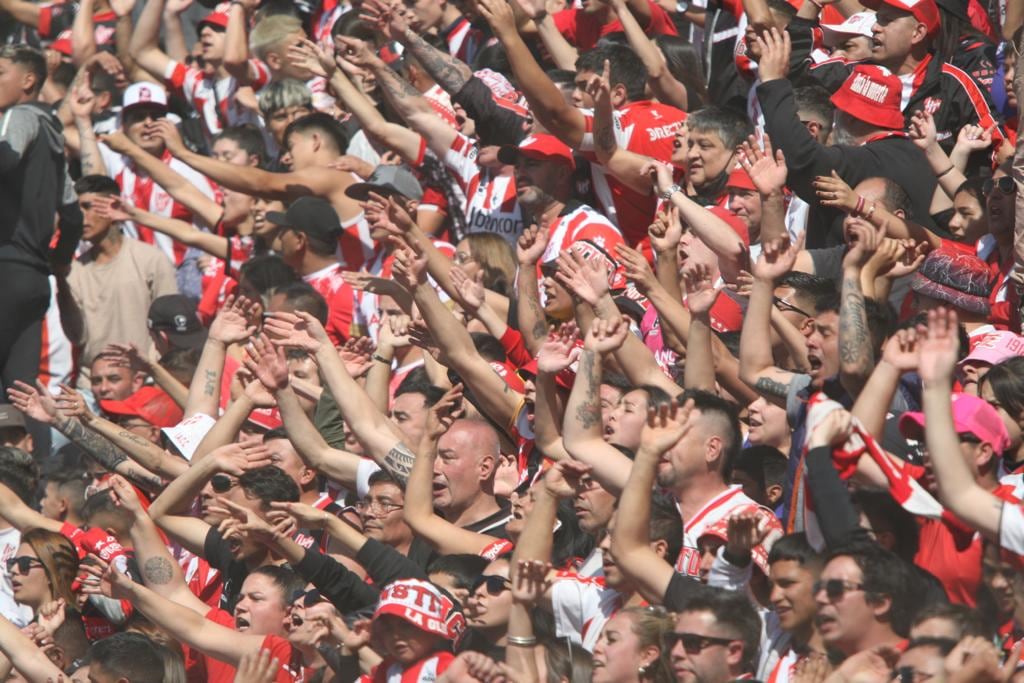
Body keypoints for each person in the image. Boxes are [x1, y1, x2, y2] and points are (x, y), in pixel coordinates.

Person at [0, 45, 81, 397]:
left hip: (4, 268)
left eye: (1, 72)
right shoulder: (54, 135)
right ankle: (26, 453)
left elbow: (6, 158)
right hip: (34, 279)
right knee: (20, 389)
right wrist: (60, 259)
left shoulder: (19, 117)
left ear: (28, 80)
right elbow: (74, 215)